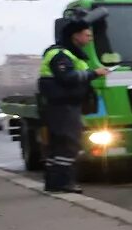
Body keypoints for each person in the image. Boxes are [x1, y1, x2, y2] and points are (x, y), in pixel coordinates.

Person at [37, 17, 109, 193]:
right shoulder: (61, 55)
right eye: (87, 35)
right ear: (76, 36)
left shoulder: (70, 54)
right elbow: (68, 78)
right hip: (63, 106)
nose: (90, 38)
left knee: (58, 146)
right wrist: (94, 73)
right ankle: (65, 182)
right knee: (69, 144)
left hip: (62, 106)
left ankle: (53, 183)